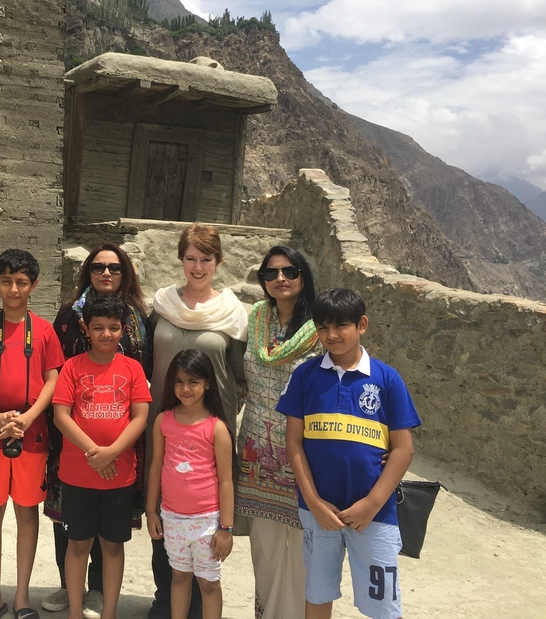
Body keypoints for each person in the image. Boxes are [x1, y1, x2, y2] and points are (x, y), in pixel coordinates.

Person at [277, 288, 421, 619]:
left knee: (382, 602)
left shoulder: (386, 379)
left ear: (362, 325)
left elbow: (403, 448)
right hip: (318, 512)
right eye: (323, 327)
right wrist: (313, 502)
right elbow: (294, 443)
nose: (331, 335)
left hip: (374, 515)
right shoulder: (305, 376)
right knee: (317, 591)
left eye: (341, 325)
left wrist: (372, 504)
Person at [43, 244, 151, 619]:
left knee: (112, 542)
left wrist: (113, 452)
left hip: (120, 460)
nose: (106, 273)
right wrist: (94, 452)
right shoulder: (69, 324)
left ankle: (103, 600)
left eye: (115, 267)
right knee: (74, 534)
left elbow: (139, 411)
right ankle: (71, 595)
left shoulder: (138, 319)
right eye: (99, 266)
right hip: (75, 455)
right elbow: (60, 400)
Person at [146, 223, 248, 619]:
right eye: (191, 258)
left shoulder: (232, 313)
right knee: (164, 506)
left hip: (210, 427)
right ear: (181, 260)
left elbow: (239, 372)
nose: (198, 266)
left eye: (206, 258)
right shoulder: (162, 305)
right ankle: (165, 599)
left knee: (204, 503)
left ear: (218, 262)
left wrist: (217, 415)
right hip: (162, 422)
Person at [0, 249, 66, 619]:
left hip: (32, 434)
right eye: (6, 281)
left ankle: (21, 596)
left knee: (26, 512)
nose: (14, 289)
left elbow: (53, 378)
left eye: (22, 282)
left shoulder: (45, 330)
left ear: (34, 285)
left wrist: (28, 417)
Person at [236, 246, 320, 619]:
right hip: (257, 452)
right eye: (271, 274)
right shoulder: (256, 320)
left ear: (304, 275)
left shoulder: (322, 327)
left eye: (289, 271)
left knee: (304, 550)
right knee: (266, 548)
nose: (280, 279)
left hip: (305, 455)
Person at [146, 350, 235, 619]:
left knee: (208, 583)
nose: (185, 389)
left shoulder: (217, 428)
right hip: (172, 518)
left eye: (193, 381)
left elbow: (226, 480)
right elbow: (156, 466)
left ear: (207, 383)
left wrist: (226, 528)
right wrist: (152, 511)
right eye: (179, 381)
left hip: (207, 522)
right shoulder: (163, 421)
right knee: (179, 577)